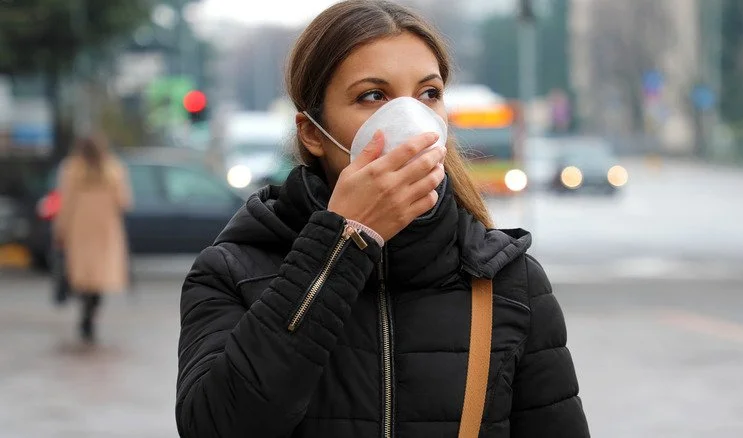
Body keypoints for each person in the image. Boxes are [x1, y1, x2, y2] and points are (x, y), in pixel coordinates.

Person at [176, 1, 589, 437]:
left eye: (428, 94)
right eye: (373, 96)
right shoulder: (231, 272)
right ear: (313, 133)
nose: (410, 120)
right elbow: (216, 427)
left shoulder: (509, 282)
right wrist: (341, 244)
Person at [54, 133, 132, 343]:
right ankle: (91, 313)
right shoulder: (114, 169)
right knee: (100, 275)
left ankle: (85, 309)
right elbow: (124, 201)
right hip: (106, 228)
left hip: (80, 227)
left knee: (83, 273)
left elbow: (65, 203)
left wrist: (60, 229)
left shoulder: (71, 169)